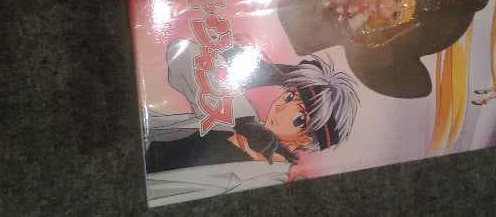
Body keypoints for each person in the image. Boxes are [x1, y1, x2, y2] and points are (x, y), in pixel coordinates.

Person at [144, 38, 359, 204]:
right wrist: (269, 74)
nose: (281, 107)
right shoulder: (241, 115)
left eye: (300, 118)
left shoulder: (266, 181)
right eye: (289, 96)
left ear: (306, 140)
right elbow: (182, 52)